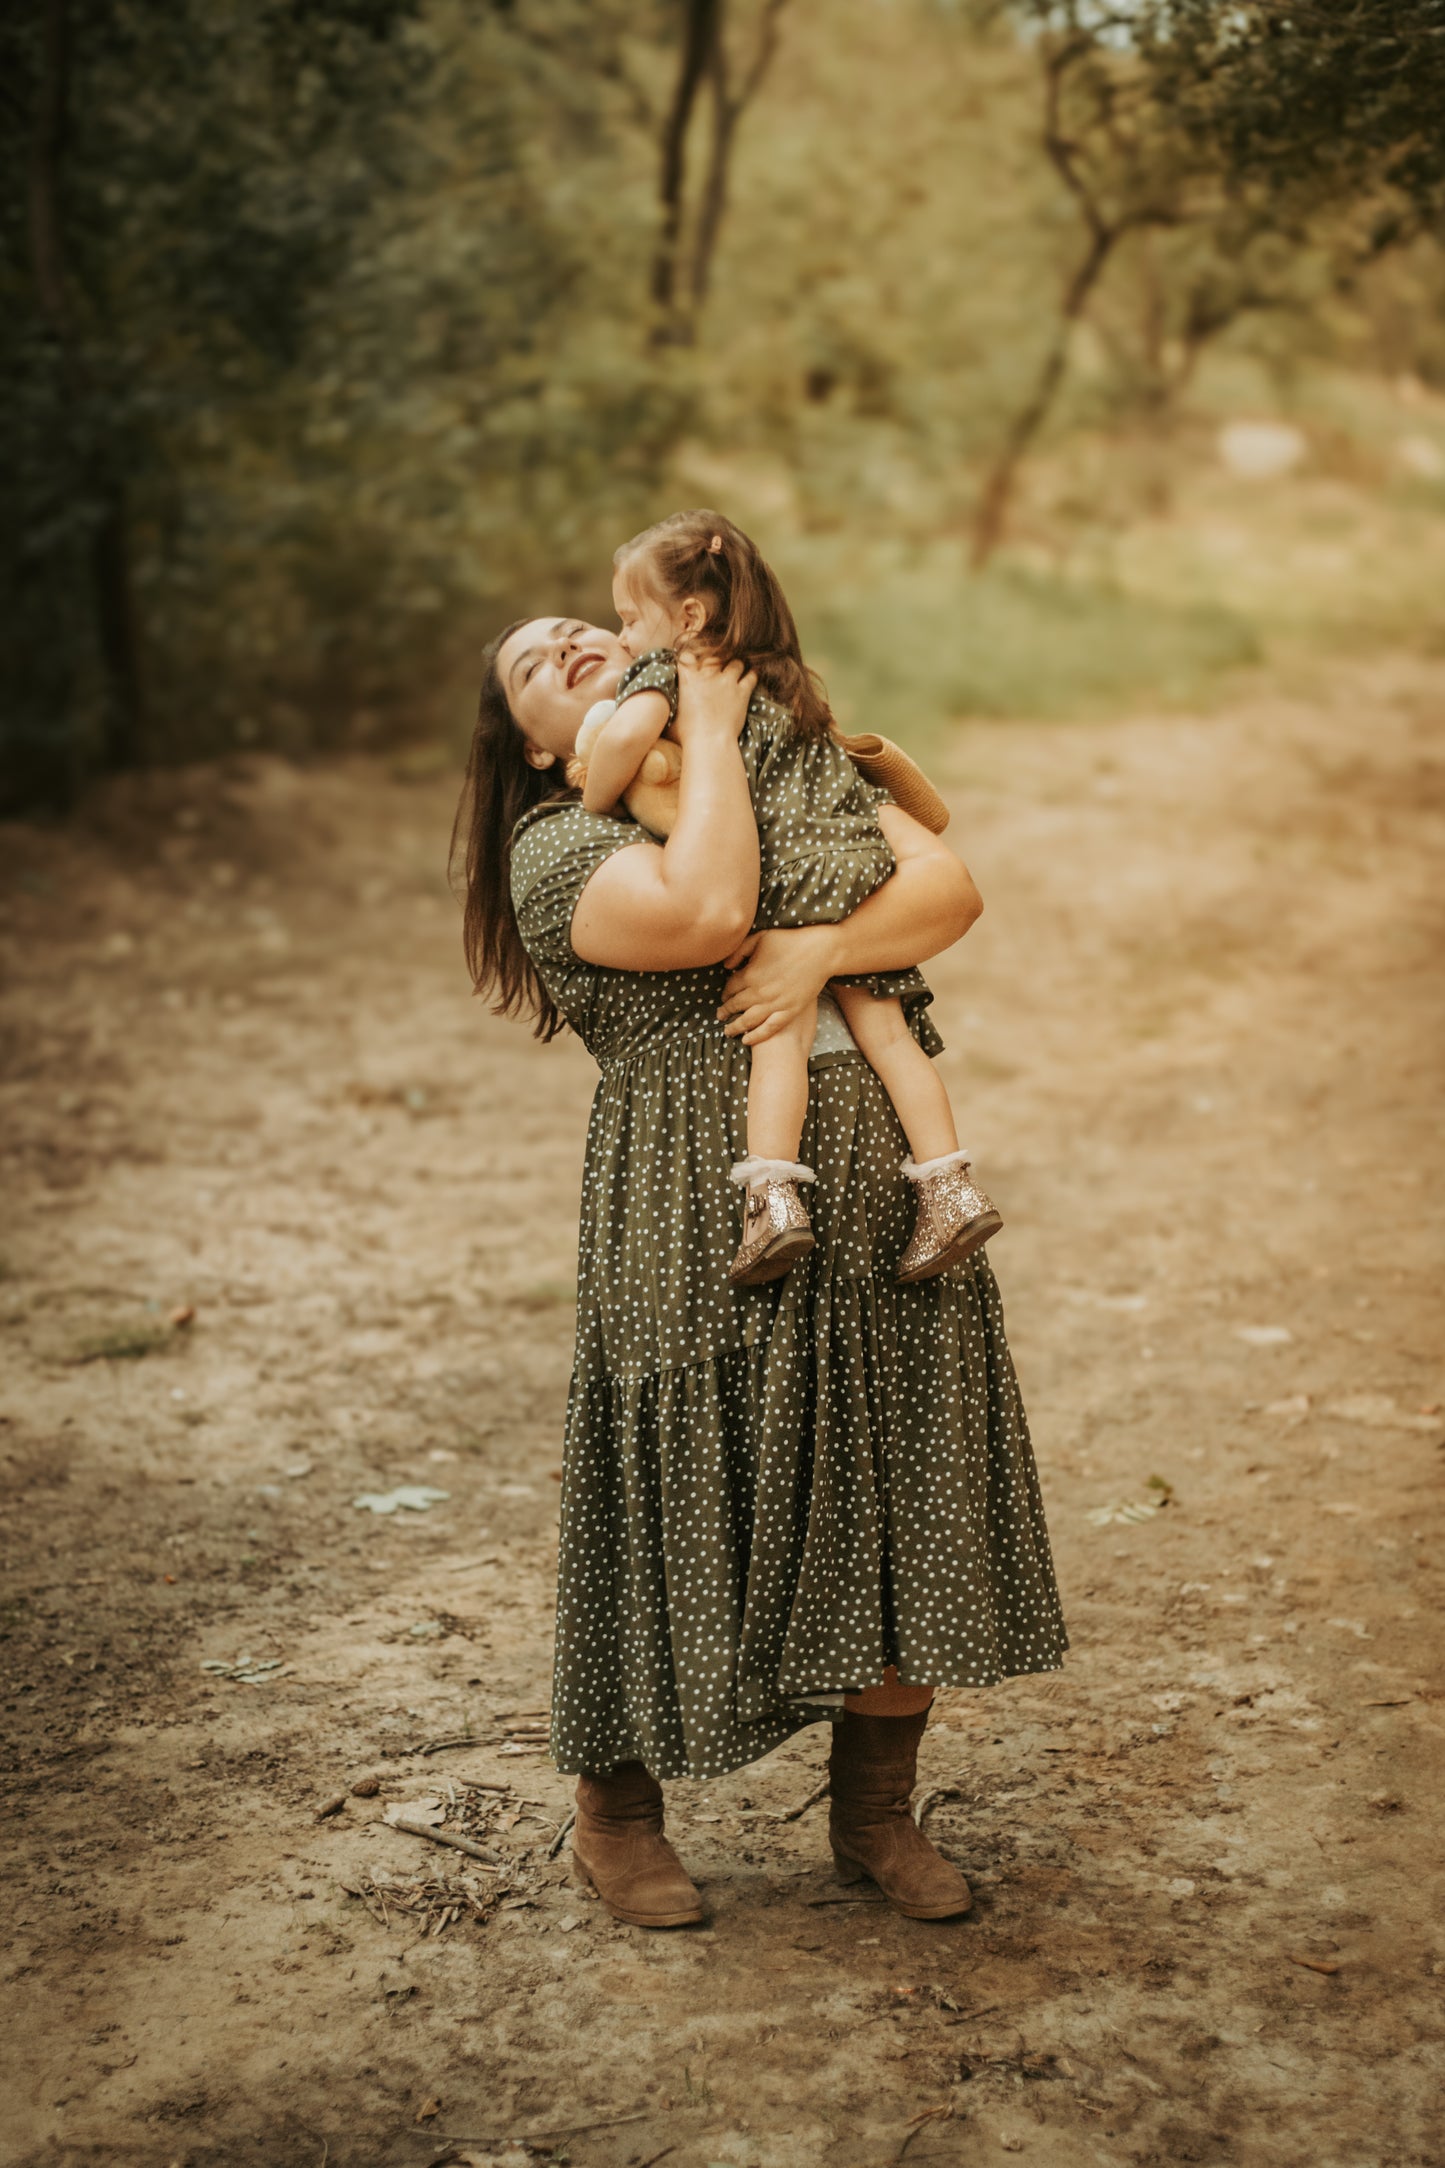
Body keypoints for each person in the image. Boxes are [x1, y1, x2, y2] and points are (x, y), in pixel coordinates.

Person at [451, 615, 1068, 1928]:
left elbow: (945, 888)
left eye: (581, 626)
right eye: (529, 665)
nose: (563, 642)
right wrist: (721, 733)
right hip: (688, 1202)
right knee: (678, 1484)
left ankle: (873, 1813)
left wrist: (818, 948)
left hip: (870, 1181)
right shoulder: (561, 848)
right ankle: (614, 1818)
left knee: (905, 1474)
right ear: (536, 746)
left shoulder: (788, 770)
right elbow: (712, 908)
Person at [569, 508, 1000, 1289]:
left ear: (688, 616)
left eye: (630, 618)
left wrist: (594, 793)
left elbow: (627, 740)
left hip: (787, 884)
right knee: (891, 1040)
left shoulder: (674, 673)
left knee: (779, 1036)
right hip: (856, 864)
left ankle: (773, 1198)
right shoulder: (785, 676)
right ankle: (948, 1187)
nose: (625, 636)